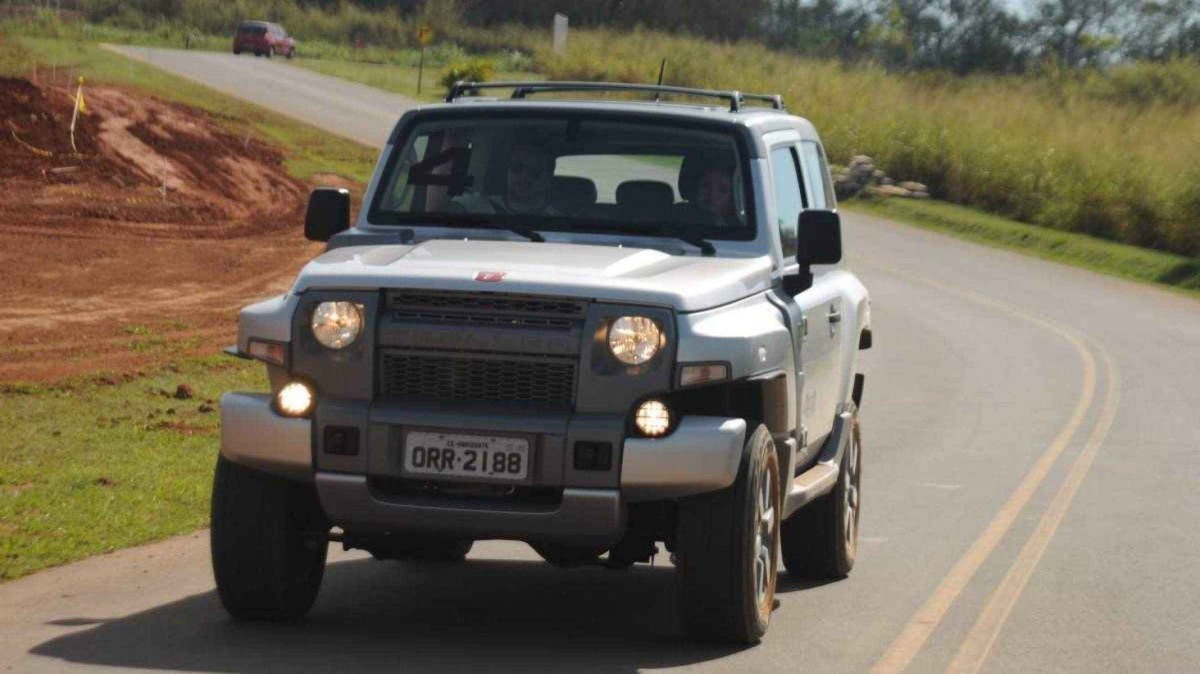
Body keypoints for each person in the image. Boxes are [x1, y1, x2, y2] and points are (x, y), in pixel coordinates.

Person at [451, 134, 560, 215]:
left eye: (534, 172)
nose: (523, 176)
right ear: (507, 170)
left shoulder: (558, 222)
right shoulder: (475, 206)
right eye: (517, 168)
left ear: (548, 179)